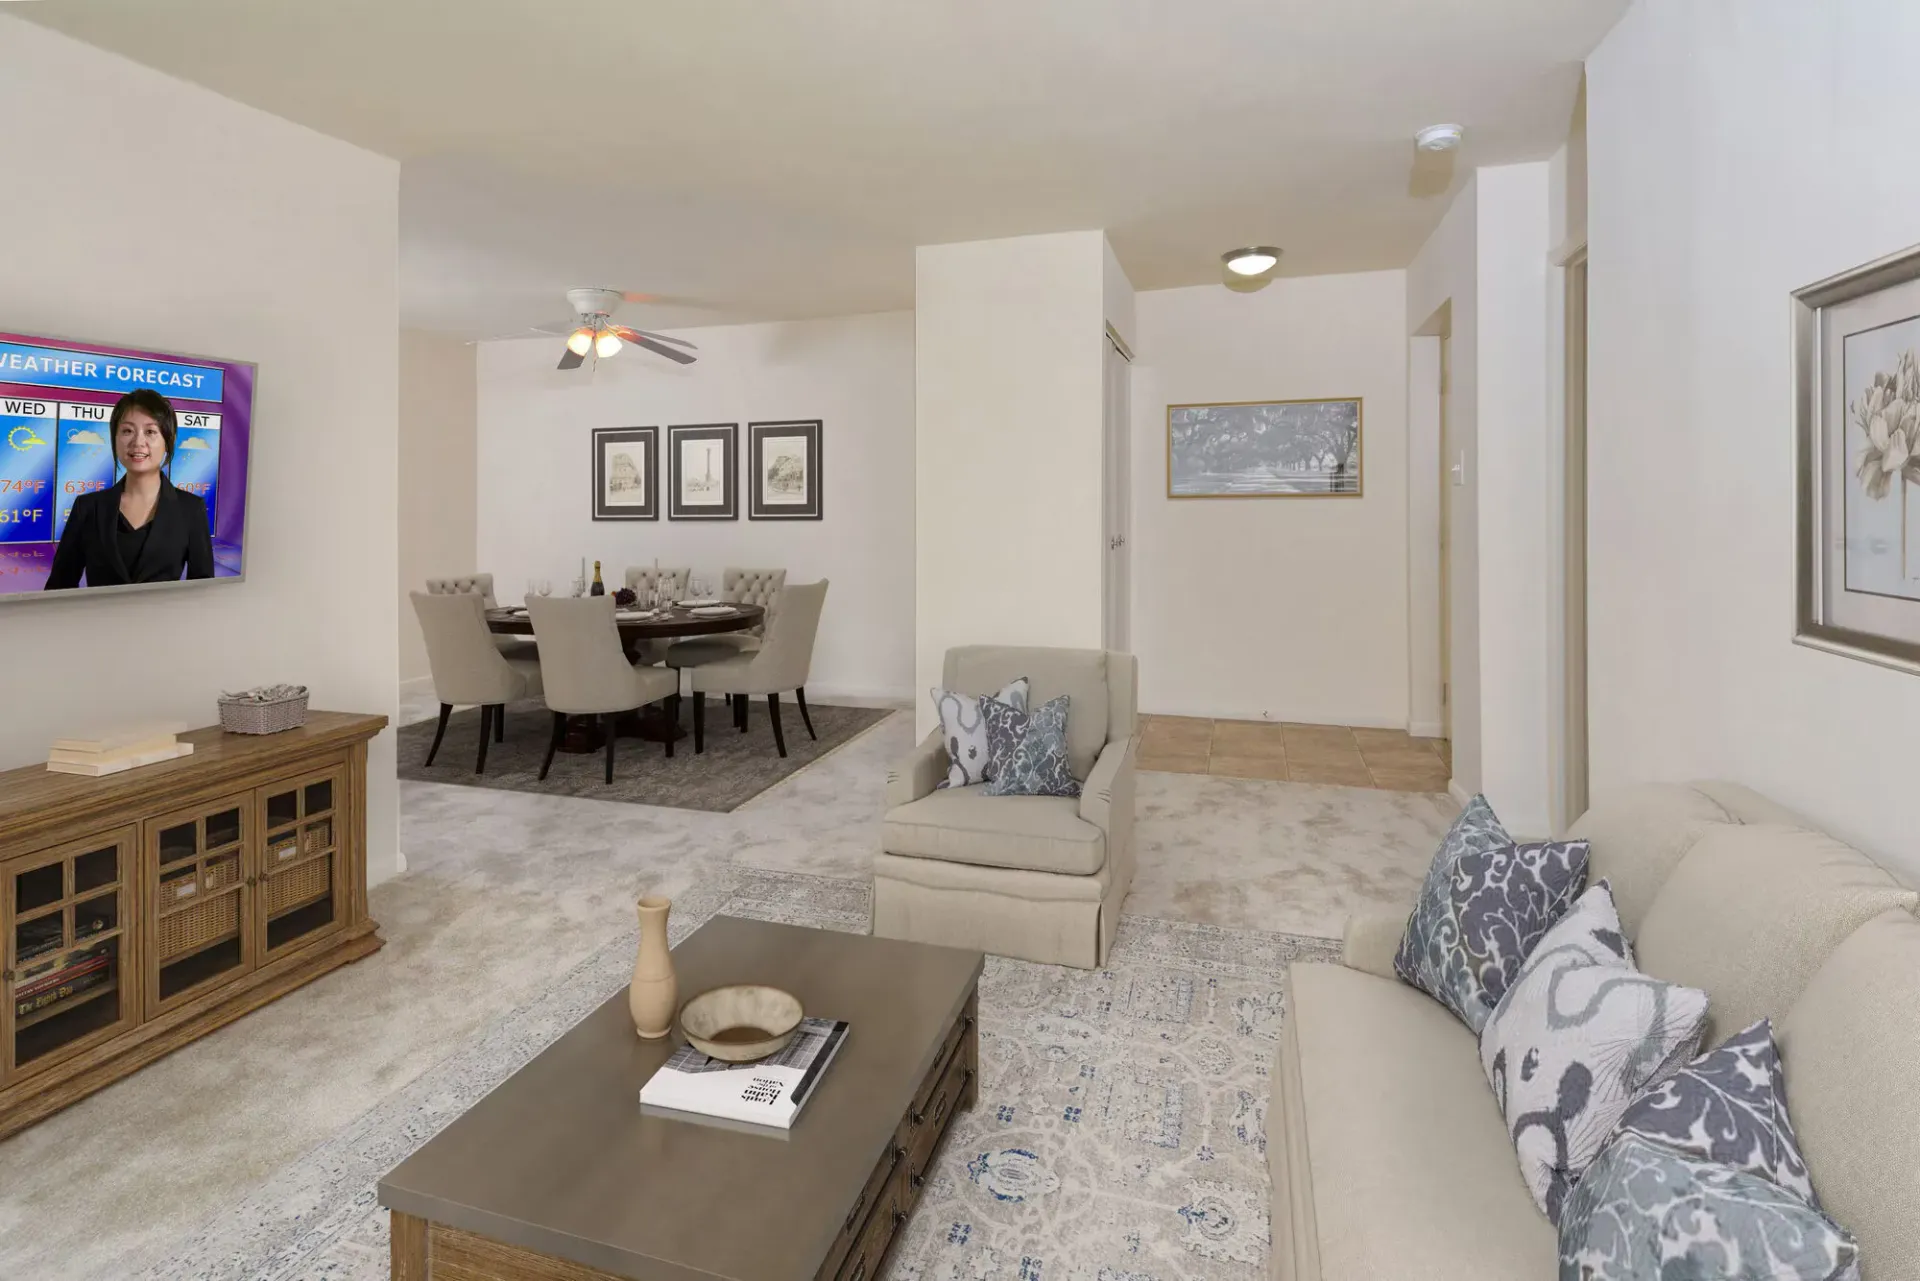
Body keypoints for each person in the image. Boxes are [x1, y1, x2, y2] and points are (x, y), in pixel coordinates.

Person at [43, 389, 215, 590]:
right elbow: (59, 586)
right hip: (98, 620)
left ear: (168, 440)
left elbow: (202, 592)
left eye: (150, 432)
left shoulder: (190, 509)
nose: (138, 442)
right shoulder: (88, 508)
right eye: (127, 431)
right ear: (115, 439)